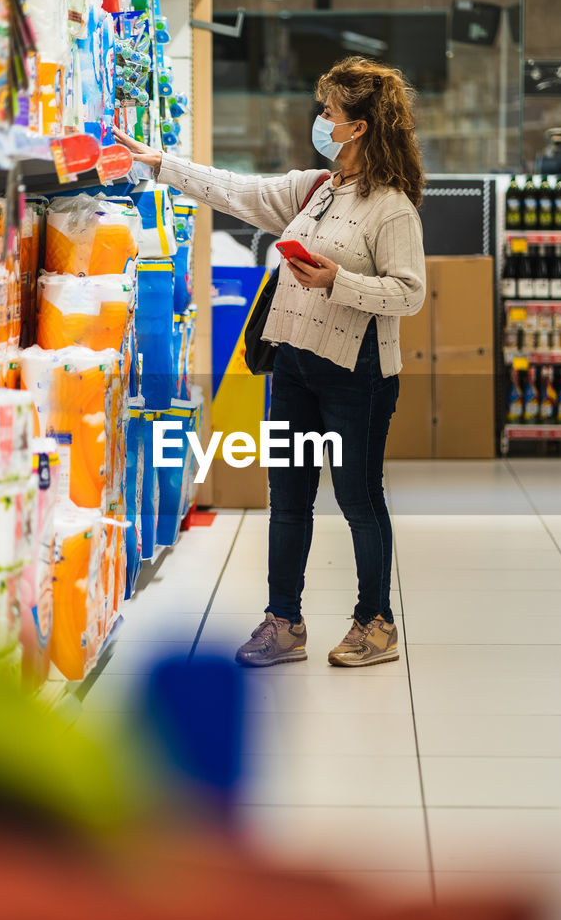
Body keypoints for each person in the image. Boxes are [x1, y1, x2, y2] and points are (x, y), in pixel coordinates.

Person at [113, 56, 425, 670]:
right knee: (288, 498)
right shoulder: (315, 190)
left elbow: (409, 293)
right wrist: (163, 165)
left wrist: (339, 281)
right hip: (293, 367)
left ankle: (376, 623)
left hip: (355, 372)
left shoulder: (391, 208)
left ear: (358, 126)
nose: (320, 119)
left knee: (359, 499)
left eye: (329, 111)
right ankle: (284, 621)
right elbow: (239, 190)